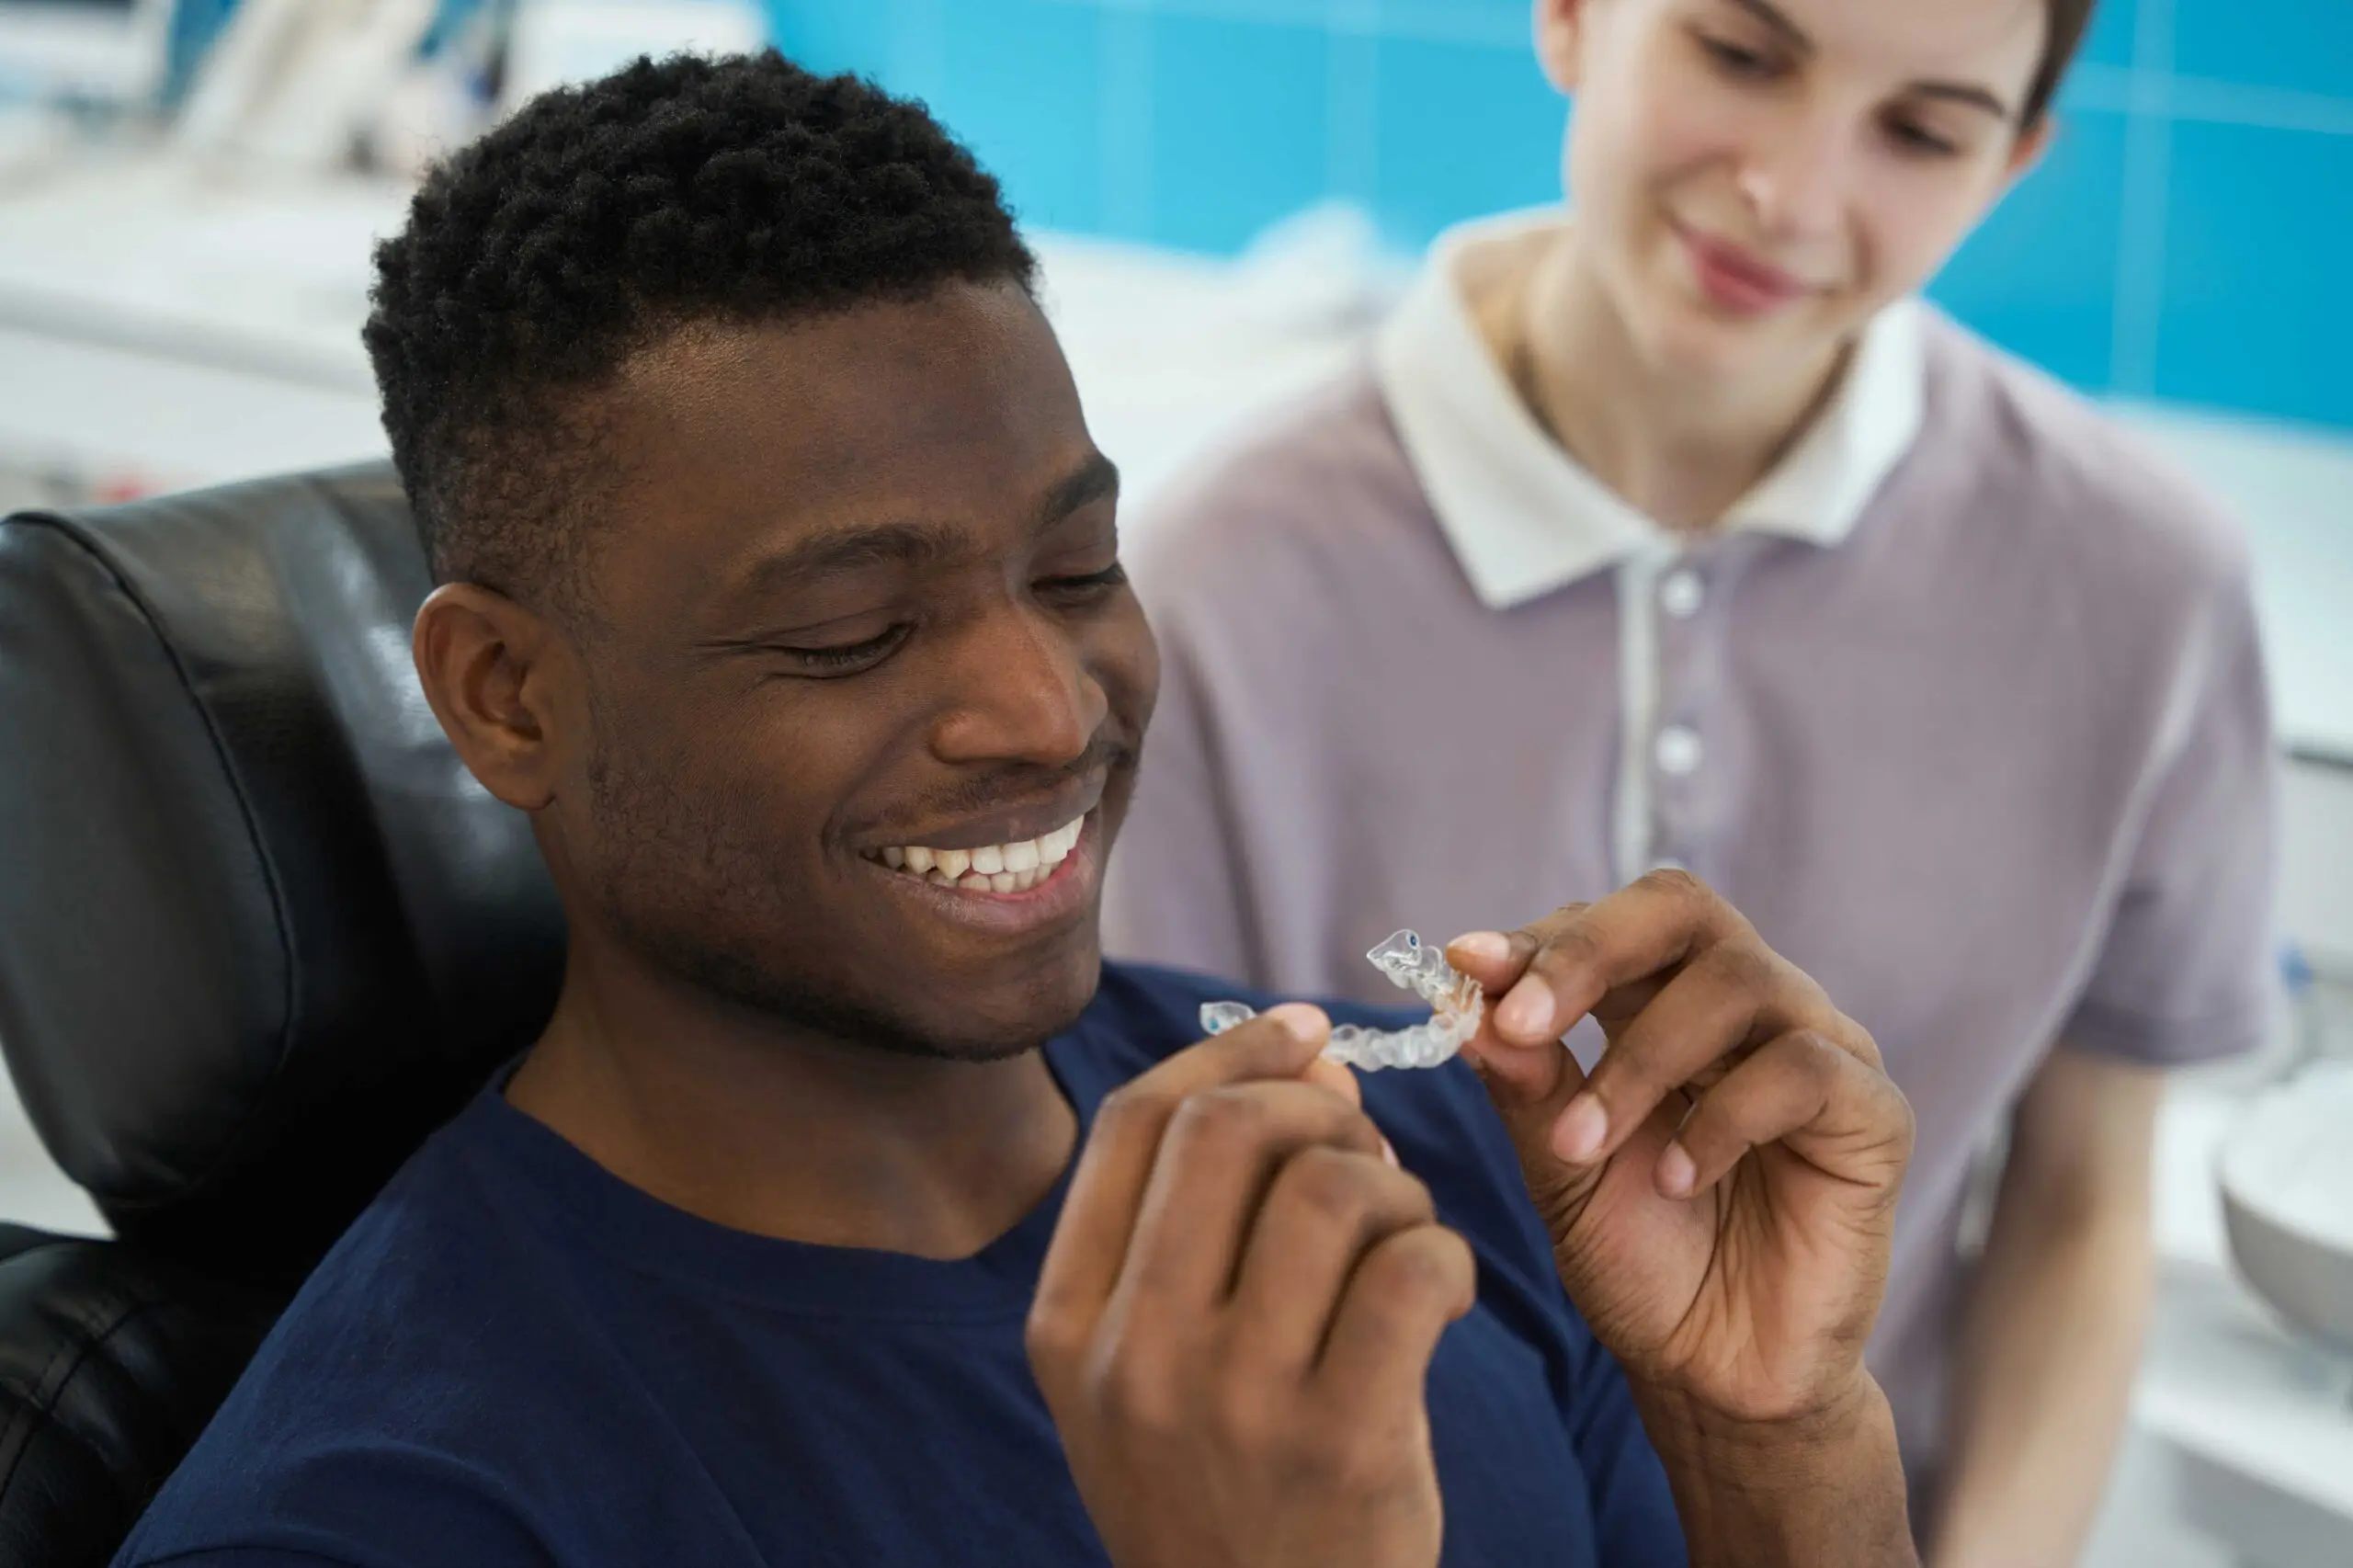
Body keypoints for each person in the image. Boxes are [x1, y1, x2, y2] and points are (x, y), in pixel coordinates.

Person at [115, 51, 1925, 1568]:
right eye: (854, 628)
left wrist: (1762, 1435)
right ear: (508, 697)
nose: (1044, 706)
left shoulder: (1431, 1163)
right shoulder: (376, 1520)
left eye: (1073, 569)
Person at [1101, 0, 2278, 1562]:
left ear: (2011, 160)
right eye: (1740, 53)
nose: (1788, 193)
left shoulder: (2143, 589)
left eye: (1921, 131)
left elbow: (2080, 1204)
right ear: (1574, 16)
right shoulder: (1217, 582)